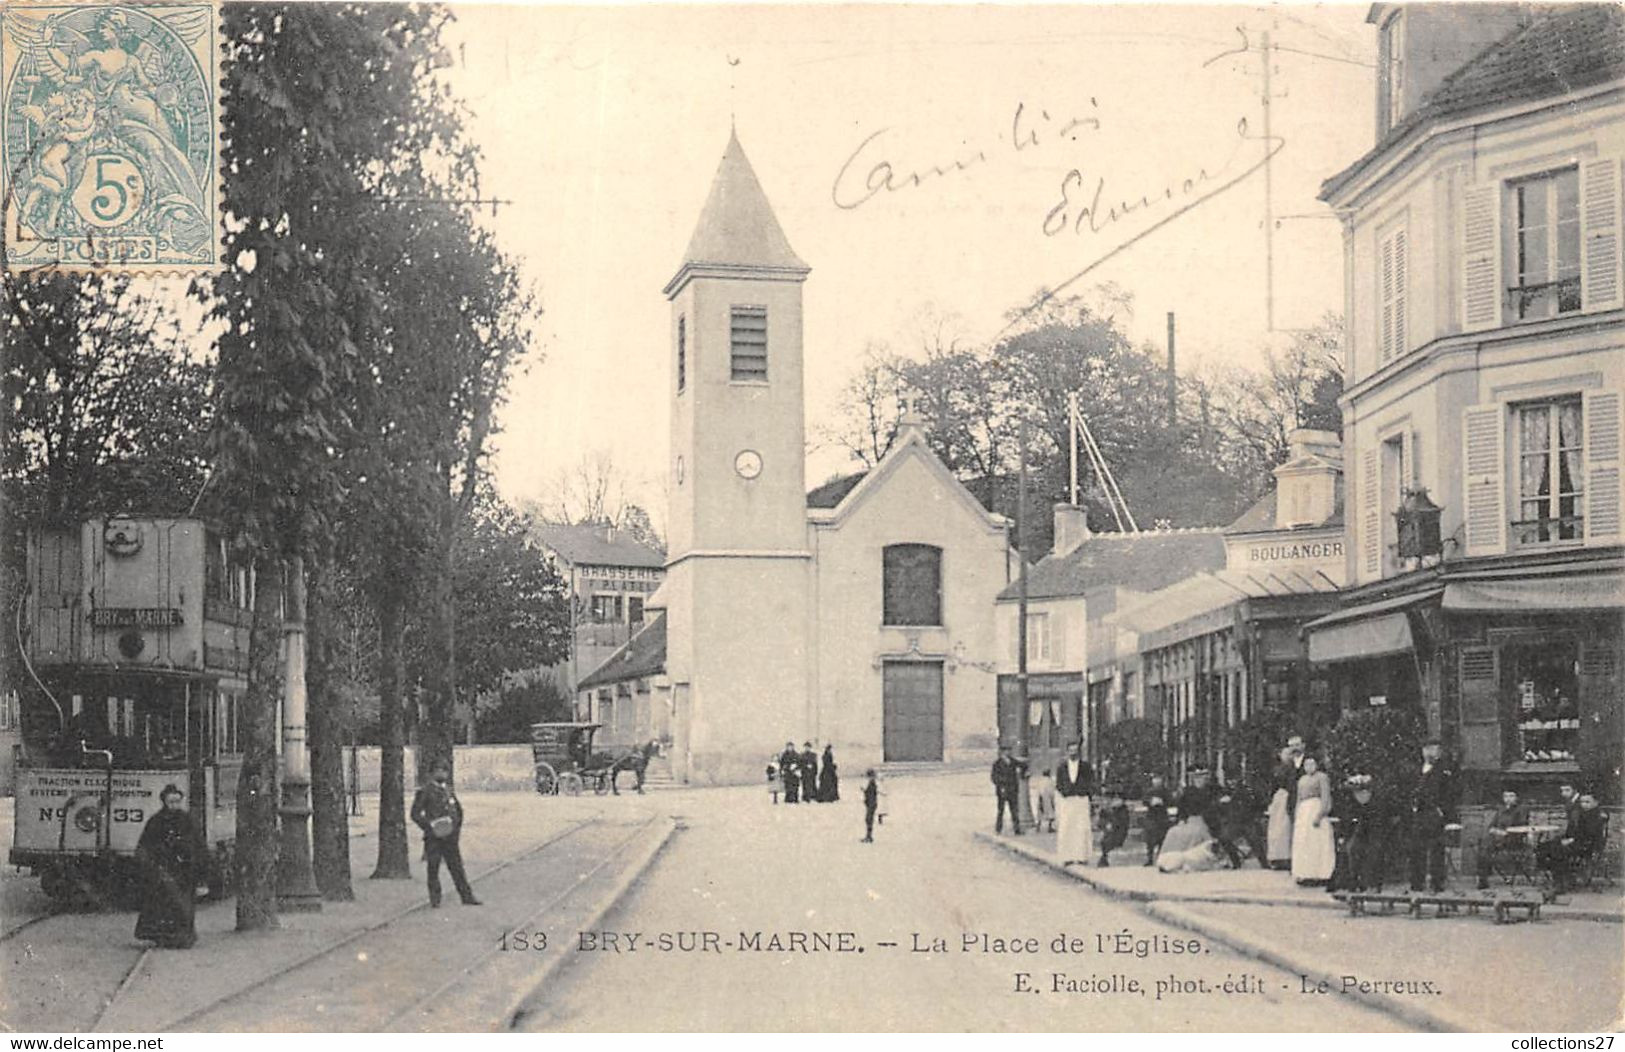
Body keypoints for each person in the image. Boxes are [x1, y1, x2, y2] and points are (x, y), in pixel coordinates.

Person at [134, 784, 204, 949]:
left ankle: (183, 937)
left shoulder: (188, 820)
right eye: (171, 802)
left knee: (183, 904)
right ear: (164, 802)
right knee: (163, 905)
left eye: (177, 802)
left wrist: (197, 865)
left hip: (184, 870)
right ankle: (163, 937)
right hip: (163, 869)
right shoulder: (156, 821)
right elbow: (145, 845)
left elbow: (198, 844)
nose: (174, 806)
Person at [410, 764, 481, 907]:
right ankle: (435, 899)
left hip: (450, 837)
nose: (442, 774)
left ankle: (466, 896)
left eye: (444, 771)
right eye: (439, 770)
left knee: (457, 868)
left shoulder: (448, 790)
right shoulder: (424, 791)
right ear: (432, 773)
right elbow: (415, 814)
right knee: (433, 868)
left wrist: (456, 828)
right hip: (434, 838)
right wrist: (430, 826)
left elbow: (458, 811)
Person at [1406, 738, 1458, 892]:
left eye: (1434, 749)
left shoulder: (1444, 770)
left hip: (1434, 813)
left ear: (1439, 752)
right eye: (1427, 749)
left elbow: (1450, 793)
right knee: (1416, 848)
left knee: (1436, 849)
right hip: (1418, 813)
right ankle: (1417, 883)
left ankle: (1437, 883)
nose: (1430, 752)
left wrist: (1444, 812)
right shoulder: (1416, 769)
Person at [1537, 791, 1607, 895]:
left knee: (1558, 850)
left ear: (1596, 803)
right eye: (1582, 801)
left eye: (1587, 802)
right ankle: (1559, 875)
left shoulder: (1598, 816)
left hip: (1587, 845)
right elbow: (1571, 831)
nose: (1584, 804)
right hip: (1574, 841)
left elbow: (1591, 834)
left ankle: (1560, 884)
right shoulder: (1578, 813)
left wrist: (1572, 840)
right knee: (1544, 846)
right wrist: (1563, 838)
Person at [1329, 775, 1388, 893]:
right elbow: (1349, 821)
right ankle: (1351, 881)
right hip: (1359, 832)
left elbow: (1378, 824)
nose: (1361, 796)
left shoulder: (1377, 805)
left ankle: (1371, 883)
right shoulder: (1353, 805)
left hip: (1374, 832)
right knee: (1351, 849)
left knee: (1372, 851)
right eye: (1357, 793)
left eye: (1363, 792)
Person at [1158, 767, 1218, 871]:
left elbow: (1216, 806)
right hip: (1189, 820)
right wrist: (1181, 819)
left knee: (1195, 833)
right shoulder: (1188, 791)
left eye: (1202, 778)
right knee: (1173, 832)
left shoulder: (1213, 790)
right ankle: (1167, 860)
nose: (1199, 780)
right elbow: (1182, 807)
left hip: (1207, 820)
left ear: (1206, 778)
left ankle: (1191, 861)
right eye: (1196, 778)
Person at [1290, 754, 1336, 885]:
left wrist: (1320, 814)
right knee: (1304, 842)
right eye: (1306, 765)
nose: (1309, 767)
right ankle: (1305, 874)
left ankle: (1320, 874)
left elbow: (1325, 797)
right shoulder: (1302, 780)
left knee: (1317, 842)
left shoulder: (1322, 777)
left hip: (1316, 809)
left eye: (1312, 764)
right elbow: (1299, 798)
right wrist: (1297, 814)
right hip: (1304, 812)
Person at [1476, 787, 1531, 889]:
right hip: (1498, 839)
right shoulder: (1501, 810)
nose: (1508, 799)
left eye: (1511, 796)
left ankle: (1484, 876)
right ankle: (1483, 878)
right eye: (1506, 796)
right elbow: (1491, 826)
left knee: (1486, 846)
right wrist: (1498, 831)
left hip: (1514, 840)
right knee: (1483, 846)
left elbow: (1522, 828)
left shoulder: (1521, 810)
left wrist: (1506, 833)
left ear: (1517, 798)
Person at [1054, 741, 1095, 865]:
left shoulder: (1085, 767)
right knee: (1067, 827)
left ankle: (1082, 856)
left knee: (1082, 828)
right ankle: (1067, 856)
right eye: (1071, 750)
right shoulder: (1062, 767)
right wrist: (1065, 792)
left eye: (1075, 750)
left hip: (1081, 800)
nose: (1073, 753)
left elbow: (1090, 782)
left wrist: (1085, 792)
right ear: (1067, 752)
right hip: (1067, 801)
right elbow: (1059, 784)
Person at [1266, 737, 1304, 869]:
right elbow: (1274, 784)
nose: (1294, 749)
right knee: (1280, 828)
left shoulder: (1305, 763)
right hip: (1282, 799)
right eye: (1291, 746)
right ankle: (1281, 858)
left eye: (1297, 745)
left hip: (1297, 797)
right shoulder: (1281, 768)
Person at [1141, 773, 1173, 866]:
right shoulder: (1149, 791)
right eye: (1155, 779)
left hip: (1162, 817)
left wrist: (1163, 802)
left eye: (1158, 779)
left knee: (1161, 838)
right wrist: (1150, 801)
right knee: (1150, 839)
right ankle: (1149, 858)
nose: (1156, 781)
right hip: (1151, 816)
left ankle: (1160, 857)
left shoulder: (1165, 791)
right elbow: (1144, 800)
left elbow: (1171, 801)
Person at [991, 745, 1024, 835]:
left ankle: (1017, 829)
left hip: (1012, 789)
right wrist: (1002, 783)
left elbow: (1023, 765)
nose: (1008, 752)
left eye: (1009, 750)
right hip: (1002, 790)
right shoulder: (997, 764)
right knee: (1001, 810)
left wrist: (1023, 773)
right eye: (1006, 751)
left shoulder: (1013, 761)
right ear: (1002, 752)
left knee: (1014, 810)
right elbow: (994, 778)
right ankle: (998, 829)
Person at [1097, 789, 1130, 867]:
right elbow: (1100, 822)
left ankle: (1105, 858)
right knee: (1105, 840)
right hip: (1108, 832)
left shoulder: (1123, 810)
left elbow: (1123, 823)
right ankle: (1104, 858)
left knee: (1109, 840)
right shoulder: (1106, 810)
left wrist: (1112, 824)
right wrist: (1106, 825)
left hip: (1118, 832)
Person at [1030, 768, 1057, 833]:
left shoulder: (1040, 781)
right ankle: (1049, 827)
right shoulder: (1050, 781)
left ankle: (1038, 827)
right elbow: (1052, 791)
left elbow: (1037, 789)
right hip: (1048, 799)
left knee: (1040, 814)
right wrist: (1053, 800)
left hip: (1040, 798)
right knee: (1050, 814)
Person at [862, 770, 881, 842]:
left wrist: (865, 792)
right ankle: (868, 835)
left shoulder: (872, 784)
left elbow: (871, 794)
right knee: (868, 819)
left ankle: (869, 836)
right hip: (871, 803)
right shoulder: (872, 783)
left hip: (871, 804)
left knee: (869, 819)